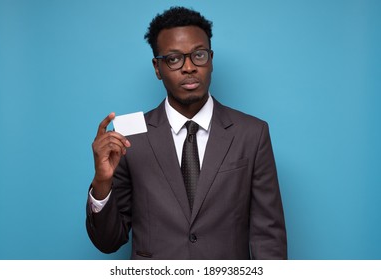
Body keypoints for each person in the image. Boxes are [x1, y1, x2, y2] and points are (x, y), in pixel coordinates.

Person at [86, 6, 287, 260]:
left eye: (199, 55)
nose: (189, 67)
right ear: (157, 68)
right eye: (174, 59)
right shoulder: (129, 136)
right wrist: (102, 183)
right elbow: (109, 241)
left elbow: (269, 239)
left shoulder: (252, 133)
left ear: (211, 60)